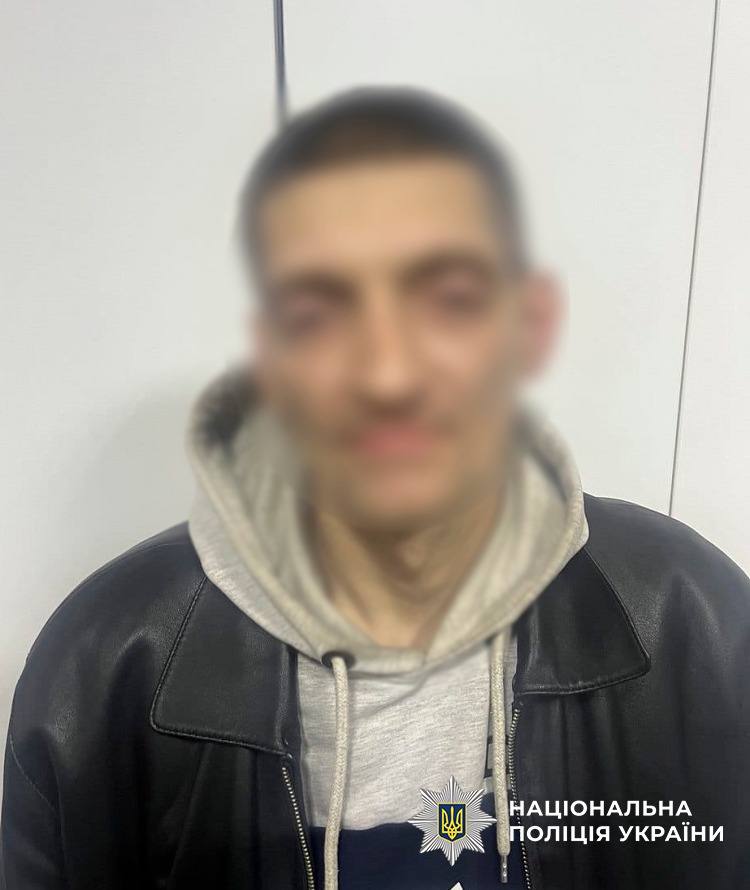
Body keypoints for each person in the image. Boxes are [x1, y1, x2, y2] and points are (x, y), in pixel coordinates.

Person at [2, 87, 749, 890]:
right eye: (322, 308)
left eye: (448, 300)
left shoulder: (694, 622)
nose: (388, 373)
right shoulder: (106, 663)